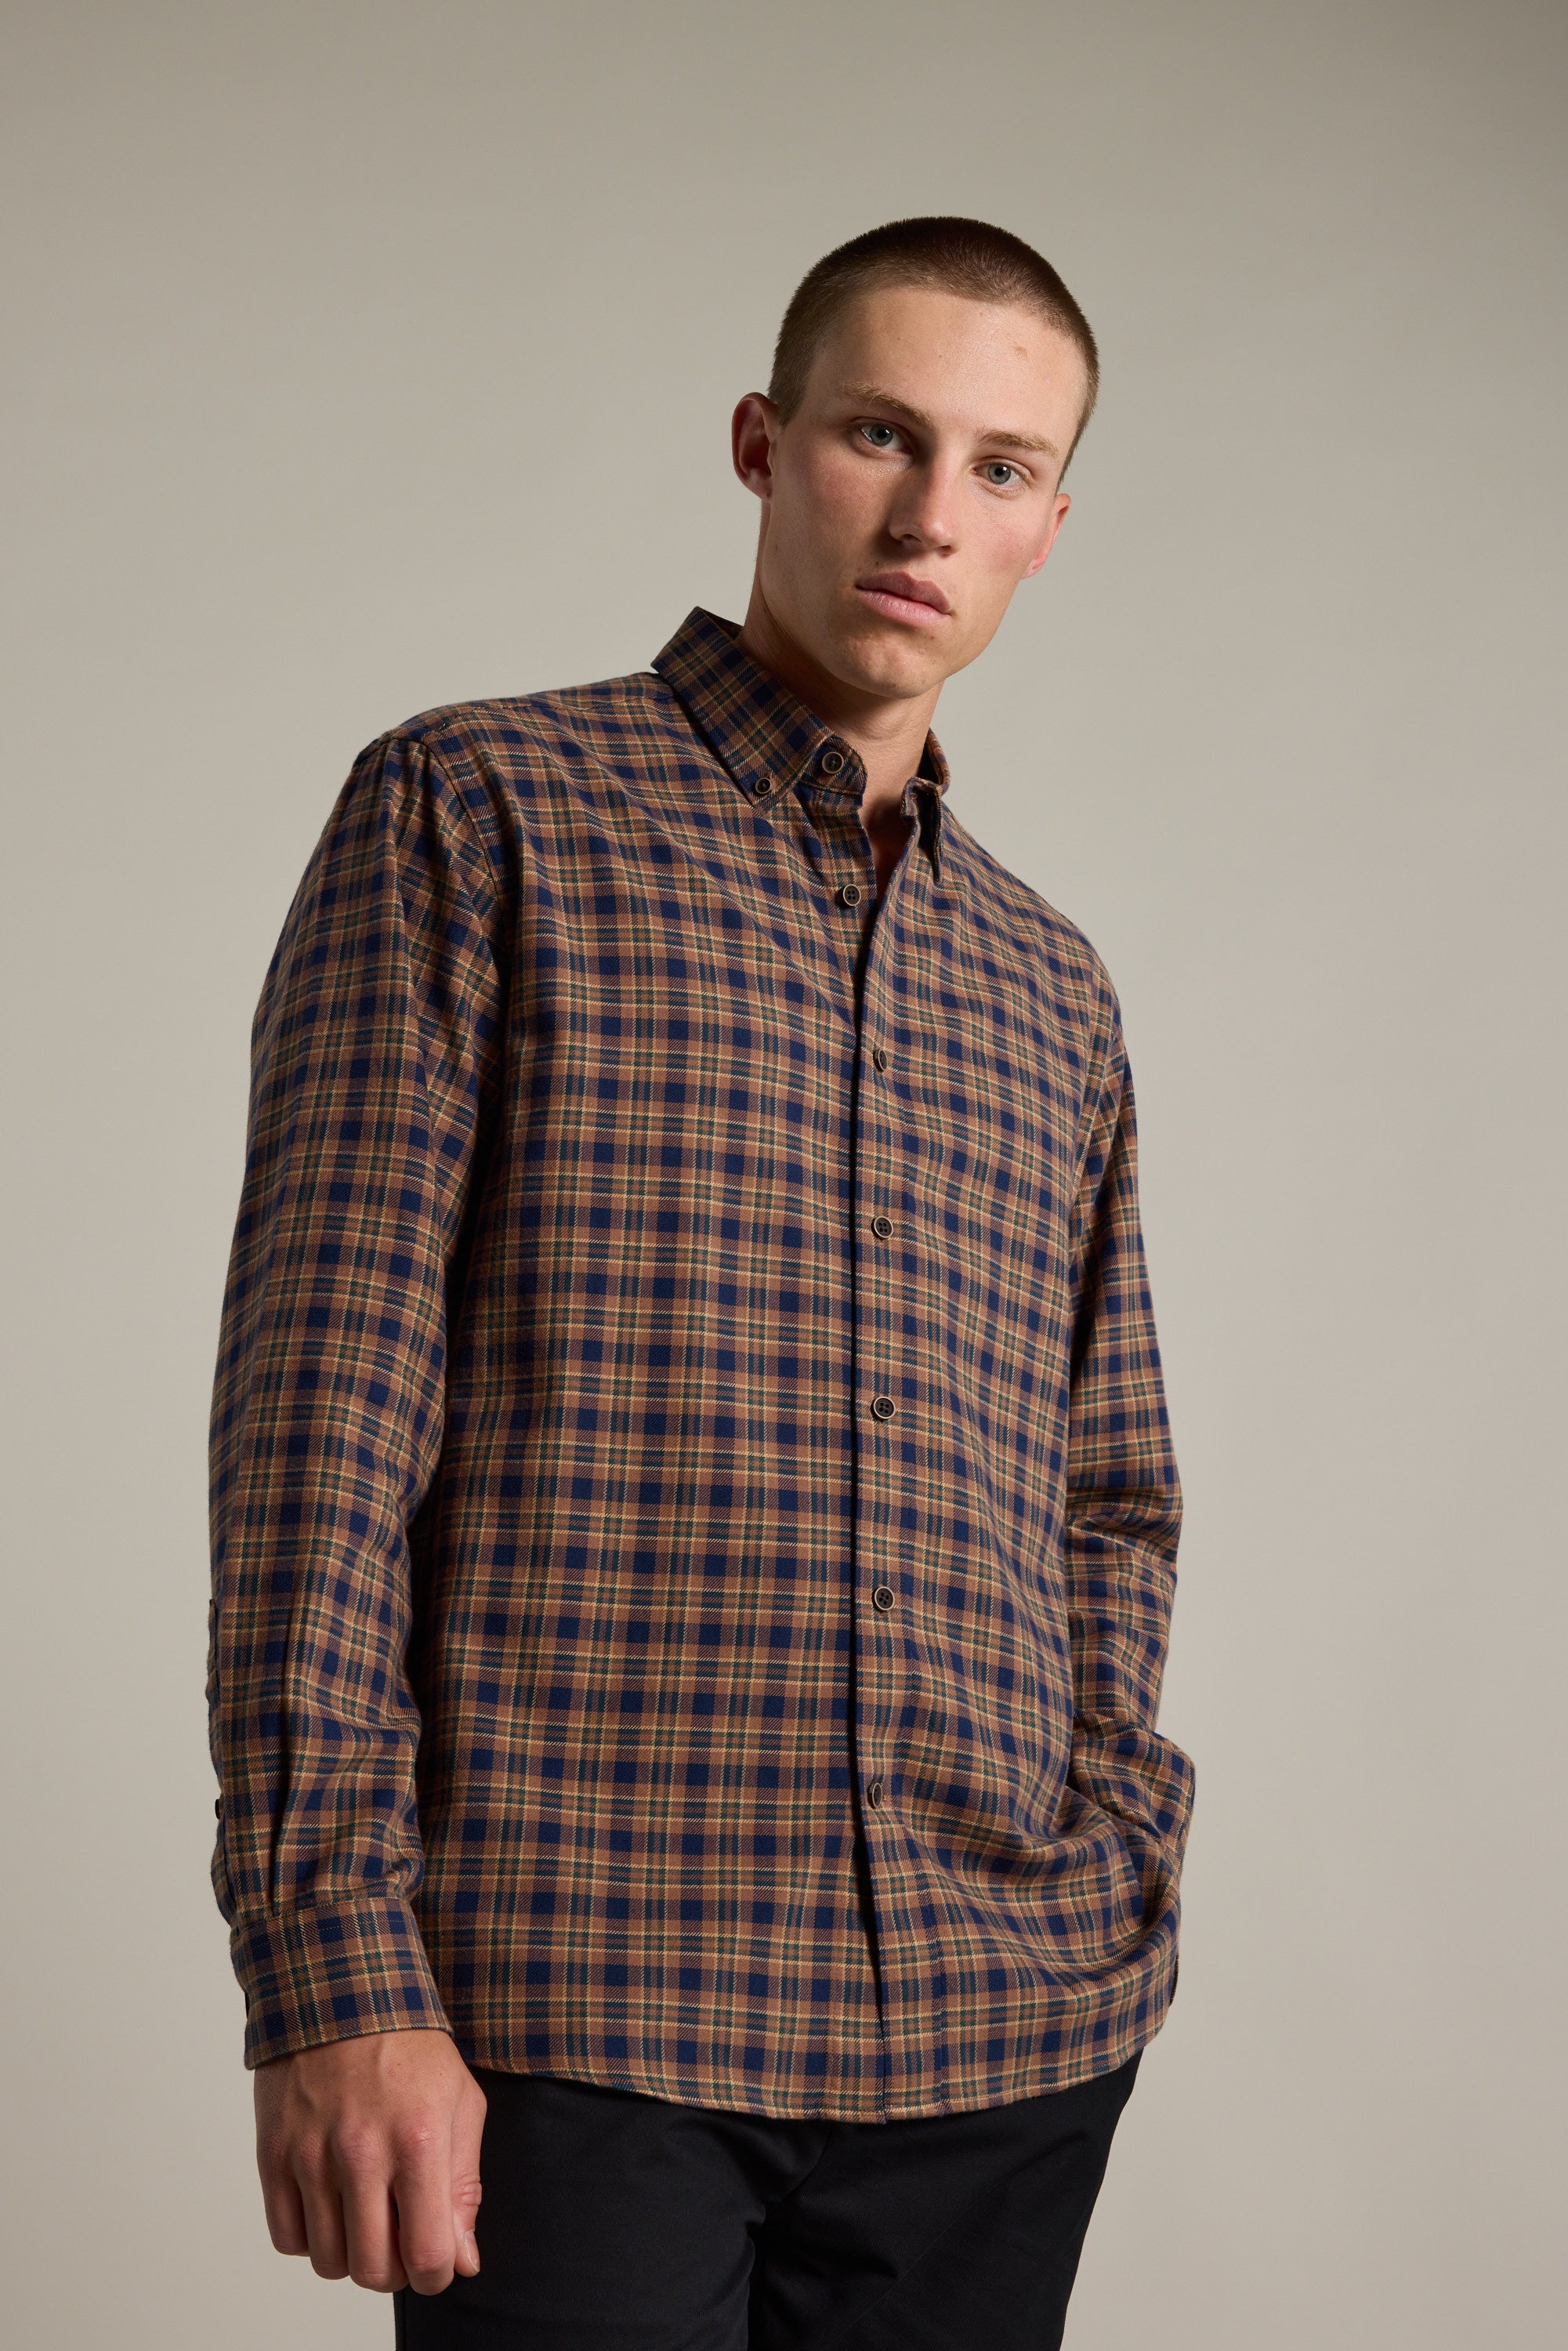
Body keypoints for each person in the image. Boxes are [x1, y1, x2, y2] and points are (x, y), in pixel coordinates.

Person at [208, 214, 1193, 2349]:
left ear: (1050, 523)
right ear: (763, 443)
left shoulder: (1053, 987)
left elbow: (1107, 1491)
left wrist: (1116, 1844)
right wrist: (332, 1970)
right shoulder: (478, 813)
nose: (931, 516)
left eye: (1004, 467)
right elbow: (322, 1427)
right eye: (878, 434)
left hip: (996, 2046)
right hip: (581, 2015)